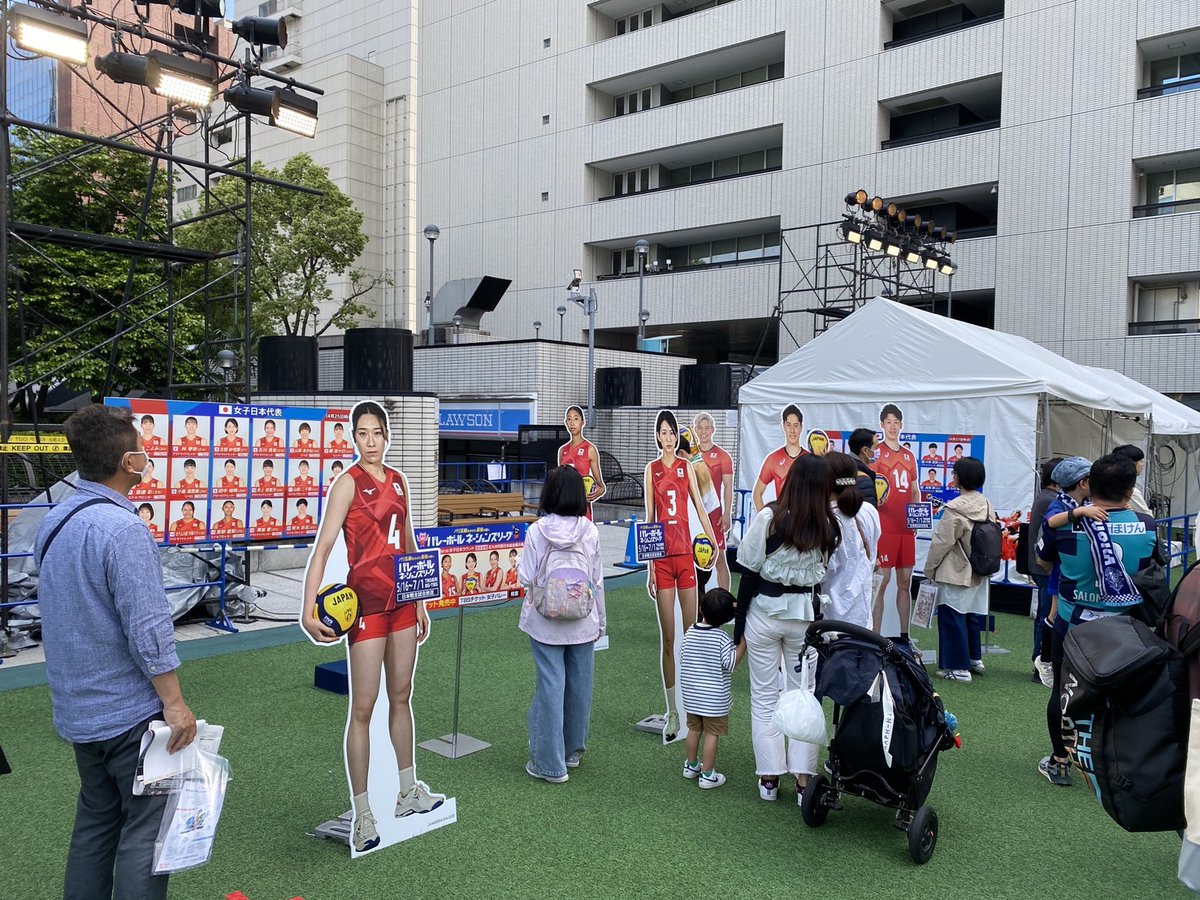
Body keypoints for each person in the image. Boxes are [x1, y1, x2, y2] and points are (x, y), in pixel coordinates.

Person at [35, 404, 196, 899]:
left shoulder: (56, 517)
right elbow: (148, 630)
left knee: (97, 821)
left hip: (78, 706)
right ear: (130, 462)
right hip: (128, 713)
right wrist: (174, 702)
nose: (149, 455)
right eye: (143, 448)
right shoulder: (124, 530)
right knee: (146, 833)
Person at [301, 401, 444, 853]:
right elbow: (323, 549)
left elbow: (408, 543)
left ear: (386, 435)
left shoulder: (399, 481)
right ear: (353, 438)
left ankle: (407, 791)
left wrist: (420, 599)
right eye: (362, 433)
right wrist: (308, 607)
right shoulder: (346, 484)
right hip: (365, 606)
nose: (370, 440)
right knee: (362, 707)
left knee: (401, 696)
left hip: (402, 603)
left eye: (376, 432)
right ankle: (362, 812)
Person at [1036, 453, 1161, 787]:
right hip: (1125, 628)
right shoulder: (1146, 526)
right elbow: (1151, 571)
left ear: (1090, 485)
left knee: (1064, 693)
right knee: (1122, 695)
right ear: (1130, 488)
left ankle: (1061, 761)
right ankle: (1113, 764)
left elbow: (1043, 561)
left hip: (1073, 622)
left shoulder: (1068, 522)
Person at [736, 454, 839, 803]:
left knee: (764, 696)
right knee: (803, 694)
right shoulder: (828, 526)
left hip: (764, 614)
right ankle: (802, 780)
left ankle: (768, 778)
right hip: (805, 620)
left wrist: (738, 632)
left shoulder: (769, 518)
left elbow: (748, 574)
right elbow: (822, 574)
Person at [517, 465, 606, 783]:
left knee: (550, 687)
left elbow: (526, 577)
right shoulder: (590, 530)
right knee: (580, 686)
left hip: (545, 621)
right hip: (584, 619)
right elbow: (597, 580)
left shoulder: (537, 531)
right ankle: (572, 751)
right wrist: (602, 622)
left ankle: (549, 764)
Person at [644, 410, 721, 740]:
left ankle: (694, 708)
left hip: (685, 556)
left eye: (672, 431)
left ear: (677, 436)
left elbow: (701, 509)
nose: (669, 436)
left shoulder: (686, 467)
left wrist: (714, 542)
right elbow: (649, 518)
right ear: (658, 436)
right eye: (664, 431)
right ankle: (672, 712)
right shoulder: (652, 469)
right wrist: (648, 567)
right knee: (670, 639)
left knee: (691, 638)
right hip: (661, 560)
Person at [924, 457, 993, 682]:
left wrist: (929, 569)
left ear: (959, 478)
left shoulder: (955, 509)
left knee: (952, 616)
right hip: (979, 570)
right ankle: (974, 658)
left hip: (956, 570)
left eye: (954, 473)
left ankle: (956, 667)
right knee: (970, 615)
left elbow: (941, 542)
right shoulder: (987, 505)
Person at [680, 588, 742, 790]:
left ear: (701, 608)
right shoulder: (722, 638)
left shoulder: (690, 631)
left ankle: (691, 765)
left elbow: (683, 656)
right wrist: (743, 644)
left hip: (691, 695)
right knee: (712, 734)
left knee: (694, 729)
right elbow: (731, 664)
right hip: (714, 699)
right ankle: (707, 775)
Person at [872, 403, 918, 642]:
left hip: (905, 530)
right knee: (882, 581)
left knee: (905, 582)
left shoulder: (909, 456)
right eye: (888, 422)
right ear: (882, 425)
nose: (892, 426)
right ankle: (875, 636)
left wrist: (915, 518)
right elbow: (872, 490)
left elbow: (914, 490)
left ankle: (904, 636)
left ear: (901, 425)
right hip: (884, 528)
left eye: (896, 422)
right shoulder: (877, 454)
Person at [823, 452, 881, 628]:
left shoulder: (828, 518)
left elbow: (822, 571)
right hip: (862, 614)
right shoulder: (869, 511)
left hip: (830, 618)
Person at [1027, 458, 1063, 686]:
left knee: (1045, 614)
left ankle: (1040, 660)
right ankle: (1041, 662)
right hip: (1045, 567)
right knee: (1046, 615)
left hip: (1040, 565)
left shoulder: (1045, 498)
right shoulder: (1052, 500)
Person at [693, 412, 734, 590]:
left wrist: (727, 514)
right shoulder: (689, 455)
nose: (703, 432)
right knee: (691, 558)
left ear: (713, 430)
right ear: (695, 430)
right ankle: (695, 600)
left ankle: (726, 599)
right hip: (693, 515)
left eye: (707, 428)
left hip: (714, 514)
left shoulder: (723, 456)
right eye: (700, 428)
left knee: (720, 558)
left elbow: (728, 488)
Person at [752, 404, 807, 511]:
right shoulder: (773, 459)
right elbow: (757, 493)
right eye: (788, 425)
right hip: (783, 523)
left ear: (801, 427)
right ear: (783, 426)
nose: (792, 430)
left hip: (805, 523)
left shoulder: (809, 459)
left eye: (796, 425)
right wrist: (766, 521)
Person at [558, 406, 605, 519]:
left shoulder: (590, 449)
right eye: (569, 419)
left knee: (584, 536)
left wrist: (598, 491)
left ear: (582, 422)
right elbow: (560, 481)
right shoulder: (562, 450)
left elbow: (600, 485)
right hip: (565, 506)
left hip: (582, 507)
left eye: (576, 419)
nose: (572, 423)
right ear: (566, 422)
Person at [1112, 444, 1152, 516]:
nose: (1143, 464)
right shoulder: (1132, 492)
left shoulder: (1110, 483)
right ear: (1131, 464)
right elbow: (1148, 517)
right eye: (1141, 461)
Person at [847, 426, 879, 508]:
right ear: (865, 450)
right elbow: (866, 516)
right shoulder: (862, 478)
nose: (878, 450)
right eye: (876, 447)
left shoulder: (845, 466)